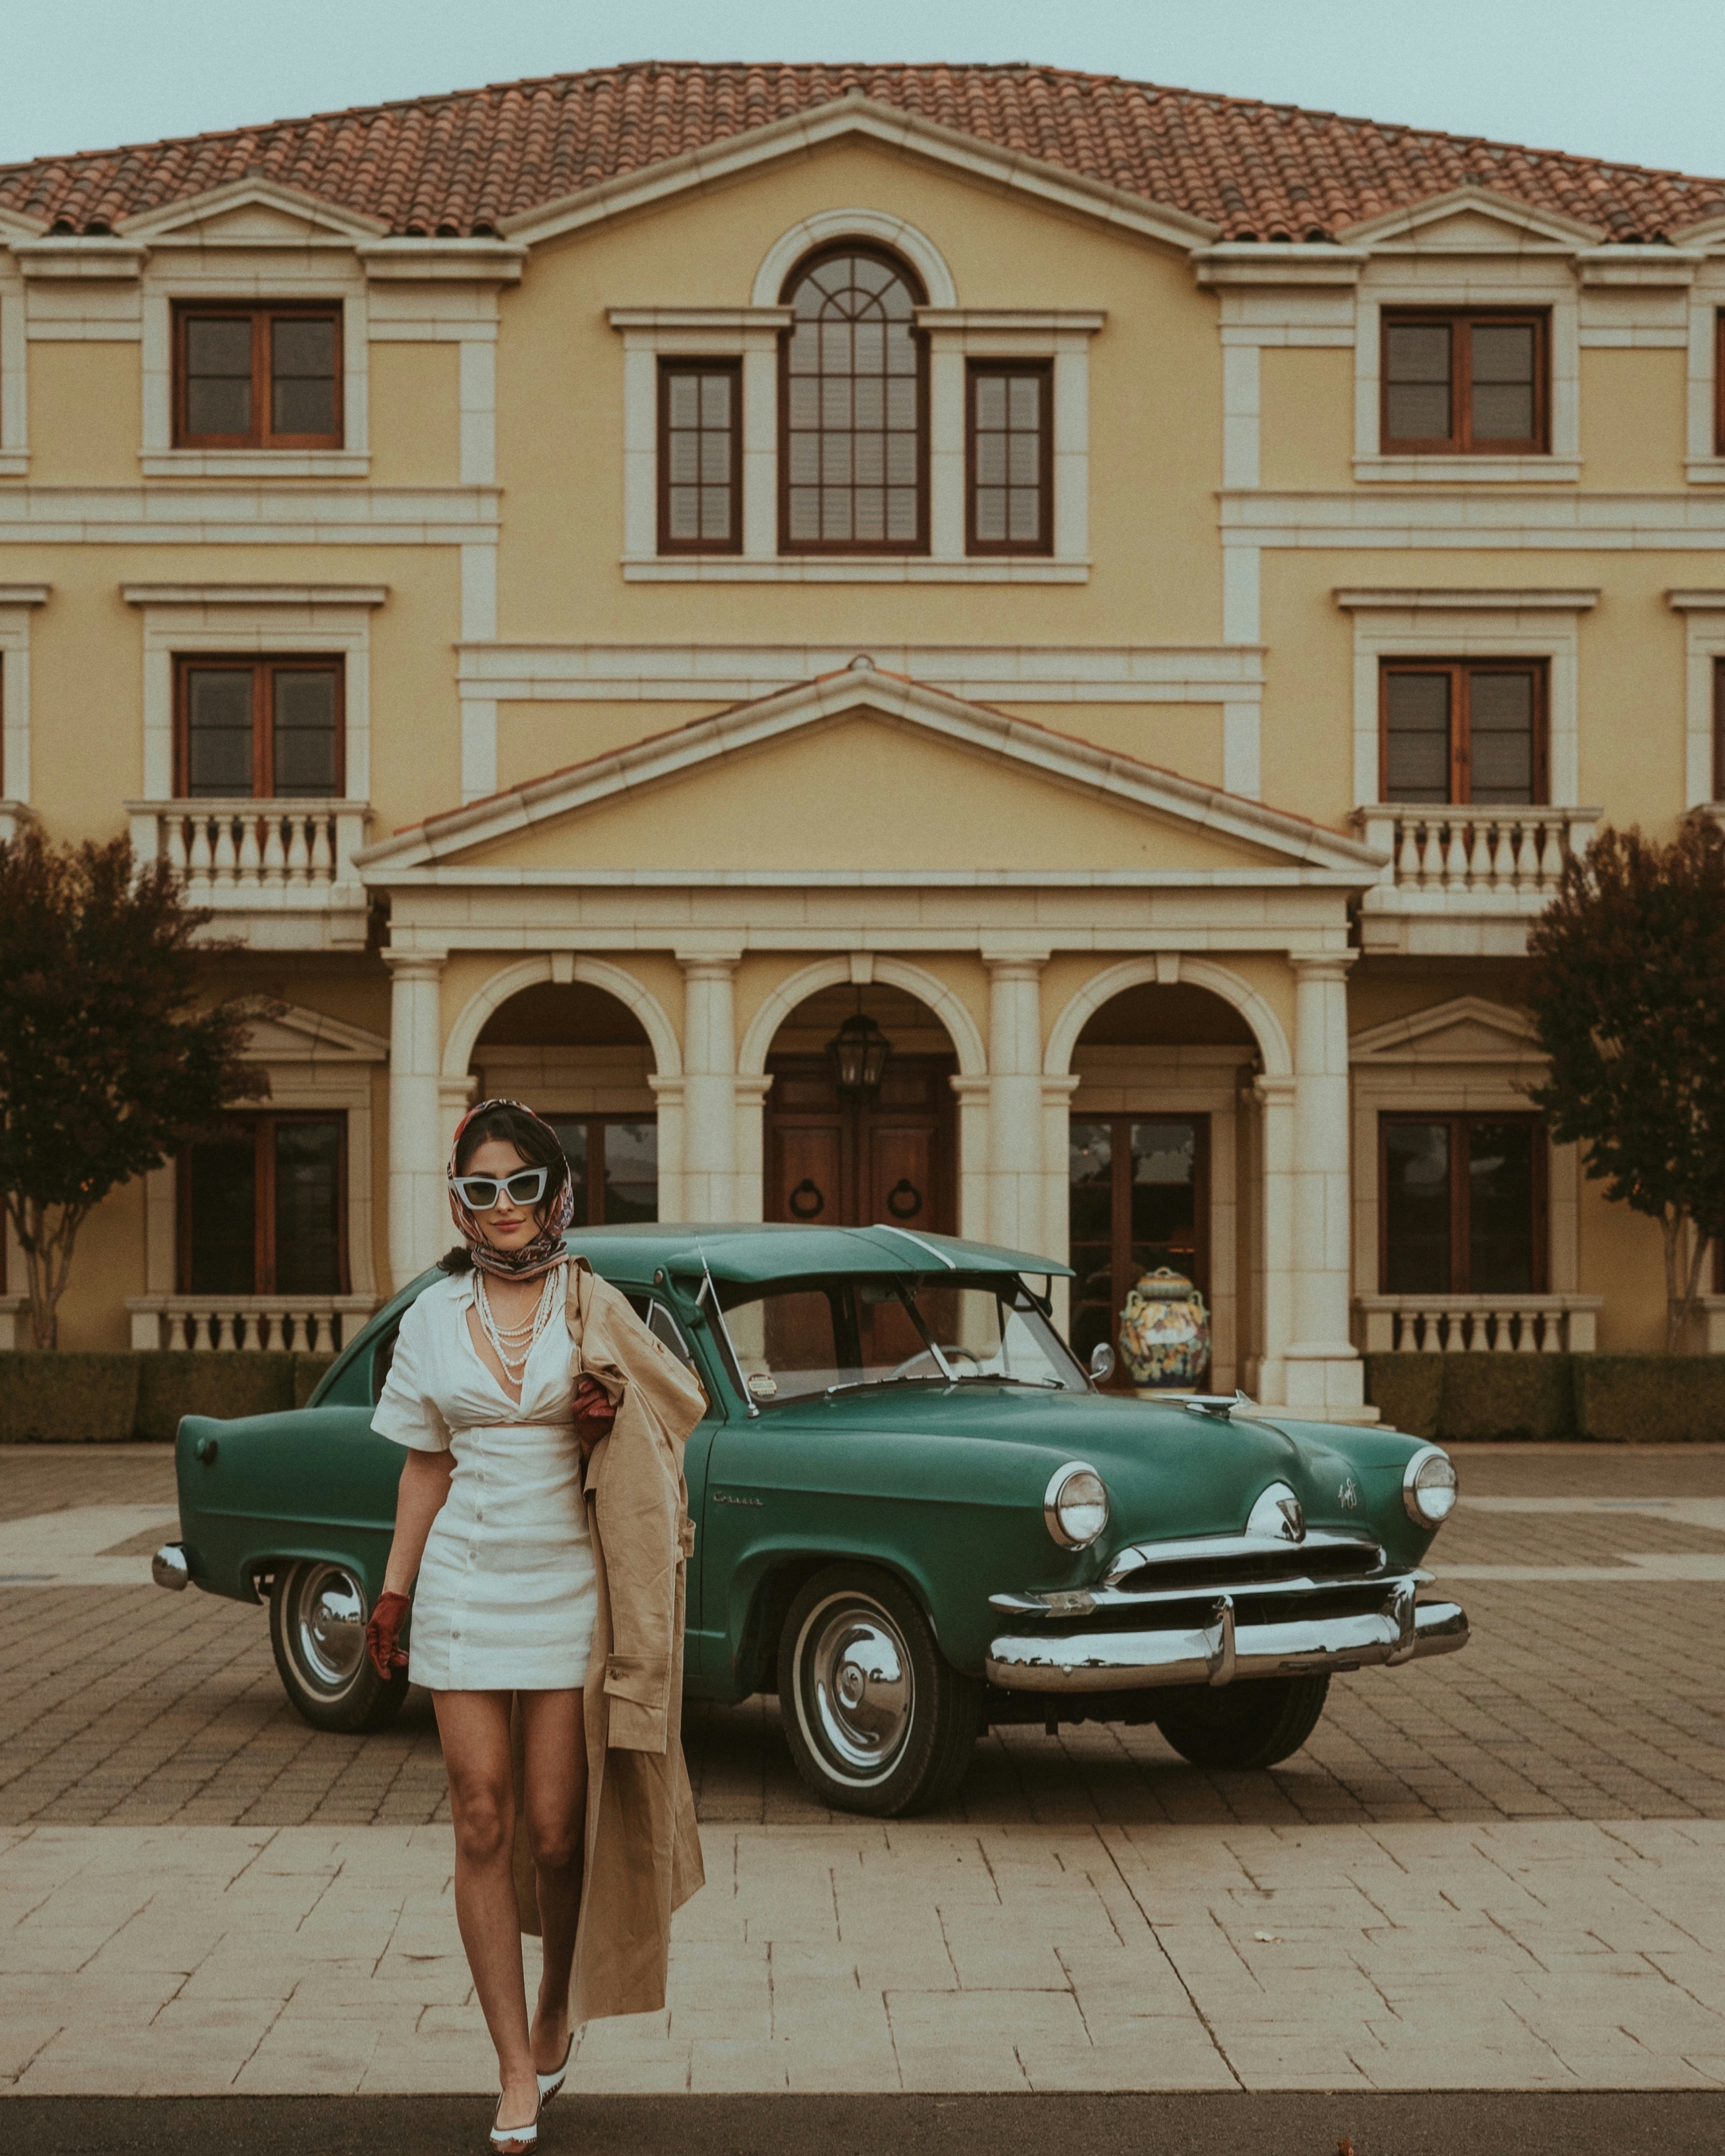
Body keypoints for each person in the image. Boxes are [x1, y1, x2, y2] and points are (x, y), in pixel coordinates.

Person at [361, 1098, 704, 2151]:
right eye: (480, 1188)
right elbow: (426, 1463)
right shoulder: (428, 1319)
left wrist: (612, 1418)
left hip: (569, 1591)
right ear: (458, 1203)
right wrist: (394, 1589)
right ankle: (513, 2062)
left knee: (559, 1832)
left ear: (556, 1193)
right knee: (480, 1816)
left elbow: (672, 1414)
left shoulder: (596, 1307)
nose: (502, 1206)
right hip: (465, 1586)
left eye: (520, 1185)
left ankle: (558, 1993)